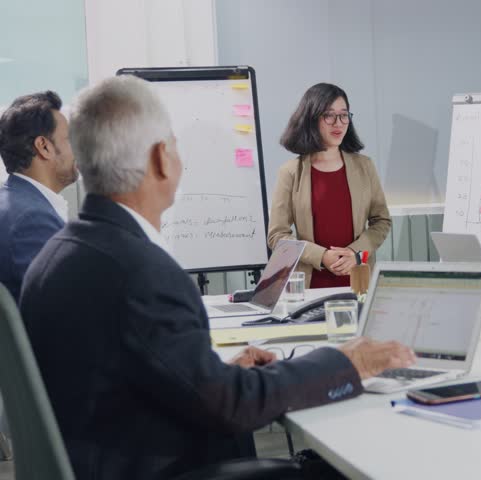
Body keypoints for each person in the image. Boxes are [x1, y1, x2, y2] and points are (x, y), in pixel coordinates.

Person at [20, 76, 415, 479]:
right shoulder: (142, 272)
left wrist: (221, 373)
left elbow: (135, 376)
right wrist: (343, 363)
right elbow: (232, 406)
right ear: (161, 158)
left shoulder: (59, 252)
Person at [268, 83, 391, 288]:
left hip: (358, 281)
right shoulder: (290, 172)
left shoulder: (364, 166)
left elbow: (382, 221)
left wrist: (356, 253)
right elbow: (277, 236)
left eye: (344, 115)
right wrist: (322, 256)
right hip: (309, 285)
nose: (339, 123)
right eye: (329, 115)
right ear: (311, 119)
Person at [0, 91, 77, 301]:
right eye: (69, 139)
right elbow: (65, 307)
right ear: (44, 147)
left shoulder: (12, 203)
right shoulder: (32, 220)